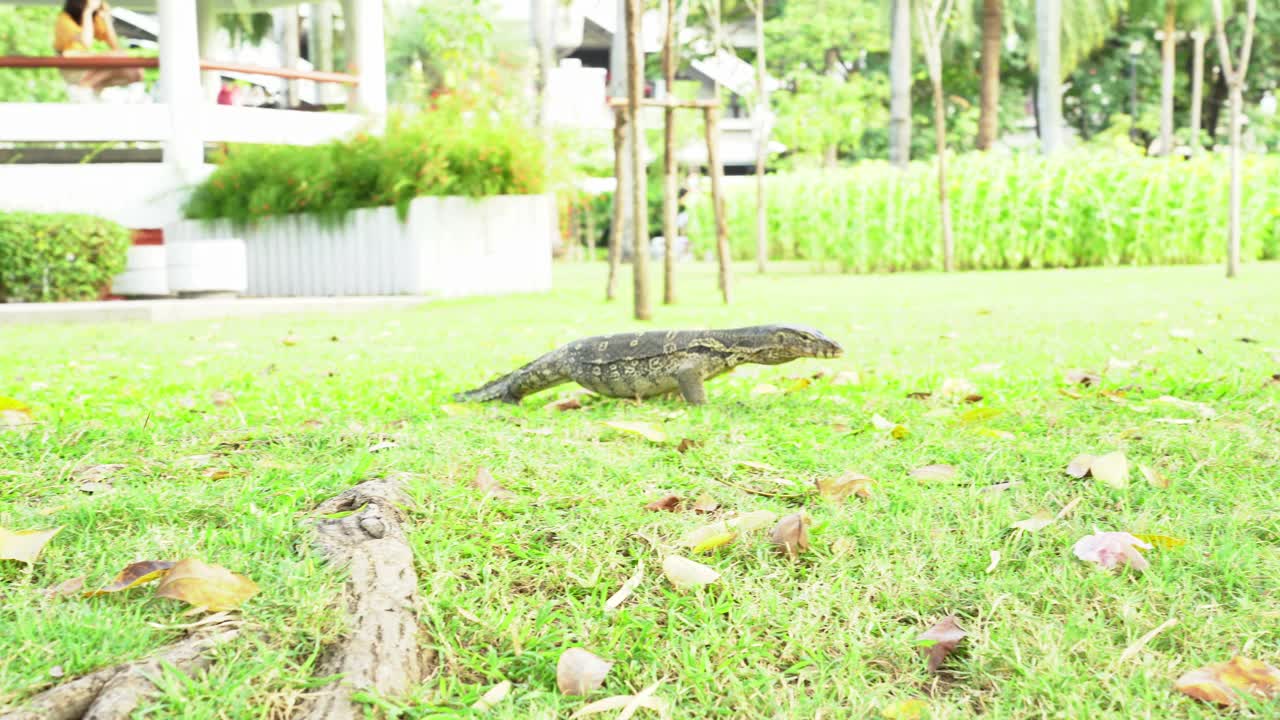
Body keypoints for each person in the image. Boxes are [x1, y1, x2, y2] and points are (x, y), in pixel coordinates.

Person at [53, 0, 143, 97]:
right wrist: (88, 11)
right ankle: (86, 86)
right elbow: (86, 42)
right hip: (70, 64)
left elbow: (116, 48)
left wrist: (107, 18)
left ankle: (90, 87)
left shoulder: (94, 18)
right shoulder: (64, 19)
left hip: (86, 66)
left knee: (134, 71)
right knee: (118, 58)